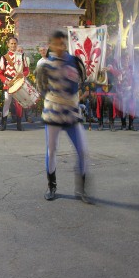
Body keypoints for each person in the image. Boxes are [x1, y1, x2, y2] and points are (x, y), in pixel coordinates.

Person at [36, 31, 92, 203]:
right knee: (52, 150)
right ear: (50, 45)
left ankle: (82, 189)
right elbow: (41, 88)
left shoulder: (75, 62)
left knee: (83, 150)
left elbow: (81, 83)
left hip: (72, 114)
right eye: (55, 43)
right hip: (53, 114)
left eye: (62, 43)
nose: (60, 47)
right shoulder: (44, 65)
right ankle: (51, 186)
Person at [0, 37, 29, 131]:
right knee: (7, 102)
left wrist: (23, 74)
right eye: (11, 44)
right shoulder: (4, 57)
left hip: (19, 82)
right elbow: (0, 73)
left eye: (15, 43)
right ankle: (3, 123)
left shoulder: (22, 56)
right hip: (9, 82)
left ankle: (19, 124)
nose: (13, 45)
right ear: (8, 44)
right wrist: (6, 81)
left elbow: (27, 70)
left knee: (19, 103)